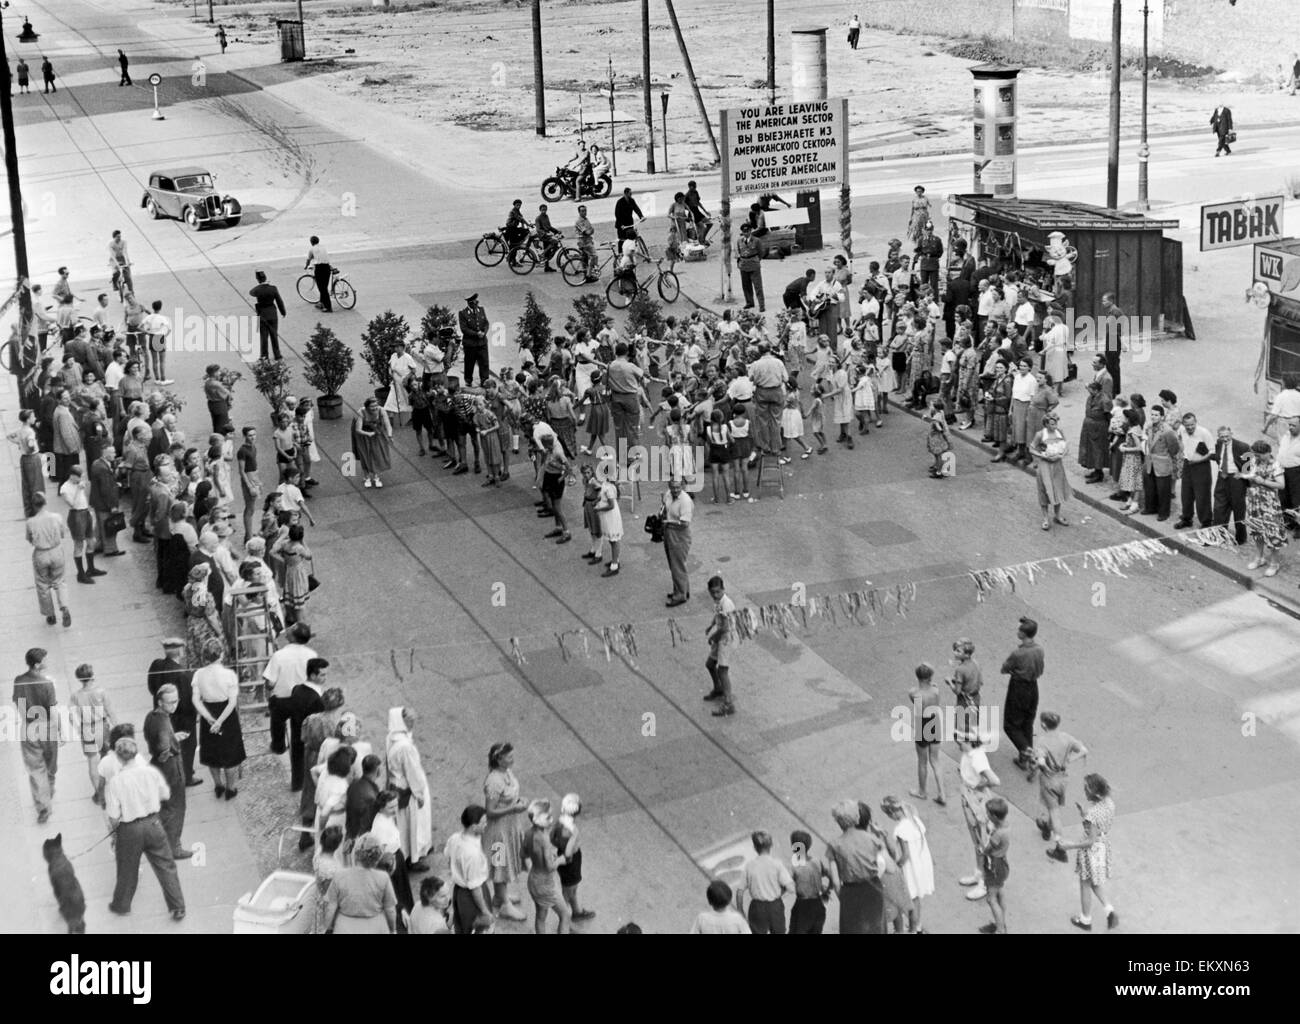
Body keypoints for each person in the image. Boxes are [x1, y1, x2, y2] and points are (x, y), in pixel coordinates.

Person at [104, 737, 186, 920]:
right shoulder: (151, 772)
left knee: (127, 868)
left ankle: (122, 904)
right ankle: (177, 907)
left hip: (129, 828)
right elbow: (165, 794)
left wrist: (114, 831)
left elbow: (113, 814)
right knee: (165, 866)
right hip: (153, 823)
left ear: (118, 757)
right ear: (136, 753)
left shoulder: (116, 782)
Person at [1057, 773, 1119, 931]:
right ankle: (1109, 911)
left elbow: (1090, 840)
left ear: (1096, 793)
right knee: (1095, 882)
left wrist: (1069, 845)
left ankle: (1085, 920)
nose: (1084, 791)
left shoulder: (1093, 814)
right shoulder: (1109, 803)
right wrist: (1084, 814)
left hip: (1091, 851)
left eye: (1087, 788)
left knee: (1085, 883)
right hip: (1103, 846)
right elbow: (1098, 826)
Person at [1032, 711, 1089, 863]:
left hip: (1049, 780)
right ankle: (1046, 828)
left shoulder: (1042, 741)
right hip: (1063, 779)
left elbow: (1041, 762)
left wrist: (1043, 768)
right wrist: (1069, 760)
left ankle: (1060, 847)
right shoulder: (1066, 738)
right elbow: (1084, 750)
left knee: (1054, 812)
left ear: (1043, 724)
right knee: (1054, 806)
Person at [192, 638, 245, 798]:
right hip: (226, 715)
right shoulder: (229, 675)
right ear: (221, 654)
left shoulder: (198, 674)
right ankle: (231, 787)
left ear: (204, 656)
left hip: (208, 710)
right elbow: (232, 702)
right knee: (231, 754)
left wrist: (209, 718)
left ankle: (218, 785)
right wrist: (220, 721)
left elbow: (195, 700)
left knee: (212, 752)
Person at [143, 684, 191, 858]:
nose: (174, 705)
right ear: (160, 702)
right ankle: (174, 847)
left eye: (176, 701)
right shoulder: (163, 720)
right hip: (171, 767)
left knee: (163, 807)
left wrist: (173, 738)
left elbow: (154, 740)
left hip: (158, 767)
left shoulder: (151, 717)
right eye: (170, 702)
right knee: (176, 807)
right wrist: (171, 747)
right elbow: (163, 747)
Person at [483, 742, 529, 921]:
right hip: (498, 833)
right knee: (499, 865)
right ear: (499, 759)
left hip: (510, 827)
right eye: (509, 757)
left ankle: (500, 896)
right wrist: (513, 809)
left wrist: (520, 801)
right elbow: (490, 811)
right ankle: (505, 906)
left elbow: (510, 796)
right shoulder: (494, 781)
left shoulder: (507, 772)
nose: (513, 759)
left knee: (504, 863)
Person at [13, 648, 60, 824]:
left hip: (29, 728)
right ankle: (50, 789)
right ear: (38, 664)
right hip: (47, 727)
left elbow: (19, 704)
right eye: (45, 660)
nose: (47, 662)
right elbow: (53, 711)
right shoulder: (47, 684)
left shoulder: (19, 681)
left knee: (35, 769)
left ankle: (43, 806)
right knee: (50, 764)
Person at [825, 799, 886, 933]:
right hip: (873, 888)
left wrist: (845, 898)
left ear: (838, 821)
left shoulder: (835, 845)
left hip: (850, 891)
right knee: (875, 927)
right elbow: (883, 864)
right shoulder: (872, 839)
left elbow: (835, 881)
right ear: (857, 817)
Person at [147, 638, 200, 786]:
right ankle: (187, 776)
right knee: (187, 747)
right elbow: (188, 702)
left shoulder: (156, 665)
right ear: (180, 651)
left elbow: (152, 688)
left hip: (162, 715)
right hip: (182, 718)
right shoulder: (184, 675)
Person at [386, 706, 433, 871]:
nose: (412, 724)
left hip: (396, 783)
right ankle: (414, 857)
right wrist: (419, 794)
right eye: (409, 721)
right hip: (408, 788)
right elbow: (412, 772)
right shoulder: (405, 747)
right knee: (413, 825)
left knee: (403, 824)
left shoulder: (392, 737)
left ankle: (411, 853)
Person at [321, 834, 397, 934]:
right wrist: (392, 930)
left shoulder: (339, 876)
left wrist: (325, 929)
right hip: (375, 928)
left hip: (345, 928)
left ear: (356, 853)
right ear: (377, 858)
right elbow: (390, 910)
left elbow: (330, 908)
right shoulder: (383, 878)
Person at [881, 796, 934, 934]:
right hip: (921, 862)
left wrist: (897, 865)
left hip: (911, 868)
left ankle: (912, 929)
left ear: (892, 813)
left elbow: (905, 855)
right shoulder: (915, 819)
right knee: (916, 899)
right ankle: (918, 926)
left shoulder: (900, 829)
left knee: (911, 901)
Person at [1000, 616, 1045, 769]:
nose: (1017, 631)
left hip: (1019, 688)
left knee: (1010, 725)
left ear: (1023, 634)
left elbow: (1004, 668)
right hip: (1033, 688)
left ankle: (1028, 753)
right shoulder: (1039, 650)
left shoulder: (1018, 654)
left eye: (1019, 629)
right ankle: (1023, 759)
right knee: (1027, 723)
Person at [70, 663, 116, 808]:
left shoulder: (76, 695)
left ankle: (99, 794)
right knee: (107, 756)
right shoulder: (101, 692)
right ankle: (111, 788)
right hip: (102, 726)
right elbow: (110, 711)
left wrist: (78, 728)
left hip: (87, 728)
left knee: (92, 761)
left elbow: (71, 715)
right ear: (92, 676)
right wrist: (116, 726)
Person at [522, 799, 571, 934]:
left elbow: (524, 853)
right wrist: (560, 859)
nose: (551, 819)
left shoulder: (528, 833)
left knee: (541, 917)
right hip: (545, 884)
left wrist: (536, 864)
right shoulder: (544, 840)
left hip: (533, 881)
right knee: (565, 915)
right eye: (548, 817)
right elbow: (550, 867)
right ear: (537, 820)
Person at [445, 805, 495, 933]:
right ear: (474, 827)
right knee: (477, 929)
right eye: (483, 822)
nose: (486, 824)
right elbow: (475, 888)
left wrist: (458, 872)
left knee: (461, 925)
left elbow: (448, 857)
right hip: (471, 896)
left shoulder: (454, 838)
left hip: (459, 891)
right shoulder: (472, 854)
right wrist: (485, 911)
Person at [26, 493, 72, 627]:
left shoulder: (30, 522)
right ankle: (64, 608)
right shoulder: (56, 517)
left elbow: (30, 539)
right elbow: (63, 533)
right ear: (45, 502)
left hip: (41, 553)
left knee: (42, 585)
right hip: (56, 551)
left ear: (34, 506)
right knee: (60, 581)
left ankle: (50, 615)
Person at [1243, 439, 1288, 576]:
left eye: (1259, 454)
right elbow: (1246, 474)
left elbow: (1281, 485)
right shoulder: (1253, 461)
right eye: (1255, 454)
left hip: (1269, 503)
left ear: (1268, 452)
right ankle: (1259, 558)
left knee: (1272, 532)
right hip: (1254, 500)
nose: (1257, 457)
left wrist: (1263, 481)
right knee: (1257, 531)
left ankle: (1274, 563)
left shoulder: (1275, 464)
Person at [551, 793, 595, 923]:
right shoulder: (571, 830)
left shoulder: (559, 822)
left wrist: (559, 846)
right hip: (570, 861)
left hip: (564, 856)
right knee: (568, 891)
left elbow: (552, 838)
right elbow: (569, 853)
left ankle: (577, 912)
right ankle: (563, 923)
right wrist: (573, 838)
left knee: (572, 888)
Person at [741, 830, 794, 934]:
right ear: (771, 845)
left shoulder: (749, 866)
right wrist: (779, 892)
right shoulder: (777, 864)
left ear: (755, 848)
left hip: (757, 907)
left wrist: (740, 909)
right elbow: (791, 888)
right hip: (775, 906)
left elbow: (740, 891)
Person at [908, 663, 946, 803]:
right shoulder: (935, 690)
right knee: (935, 760)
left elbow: (918, 709)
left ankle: (922, 791)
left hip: (922, 724)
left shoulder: (914, 693)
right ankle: (942, 793)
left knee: (922, 761)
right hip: (934, 721)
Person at [1140, 404, 1183, 522]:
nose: (1153, 417)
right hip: (1150, 461)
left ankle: (1163, 513)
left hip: (1162, 462)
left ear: (1162, 417)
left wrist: (1165, 457)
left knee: (1163, 489)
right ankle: (1150, 507)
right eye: (1152, 414)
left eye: (1156, 415)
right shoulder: (1149, 427)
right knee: (1149, 487)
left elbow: (1174, 448)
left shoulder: (1167, 431)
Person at [1031, 411, 1072, 529]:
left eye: (1056, 423)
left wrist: (1062, 454)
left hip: (1057, 465)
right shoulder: (1040, 434)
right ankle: (1045, 518)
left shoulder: (1060, 432)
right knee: (1044, 491)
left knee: (1057, 489)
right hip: (1044, 466)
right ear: (1046, 424)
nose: (1055, 426)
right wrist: (1042, 456)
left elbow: (1065, 446)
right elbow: (1032, 448)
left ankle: (1057, 516)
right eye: (1052, 424)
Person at [703, 575, 737, 716]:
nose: (715, 595)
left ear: (723, 589)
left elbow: (725, 628)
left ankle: (728, 703)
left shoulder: (726, 604)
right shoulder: (718, 602)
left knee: (722, 670)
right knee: (710, 664)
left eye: (718, 592)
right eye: (713, 593)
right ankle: (718, 688)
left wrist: (713, 637)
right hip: (720, 637)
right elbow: (717, 615)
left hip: (726, 639)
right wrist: (711, 625)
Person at [1175, 412, 1216, 530]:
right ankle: (1187, 519)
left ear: (1196, 422)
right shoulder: (1182, 430)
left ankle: (1206, 522)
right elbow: (1179, 437)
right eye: (1187, 425)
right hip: (1187, 464)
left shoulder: (1204, 433)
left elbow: (1212, 453)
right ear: (1184, 424)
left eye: (1192, 424)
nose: (1190, 427)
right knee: (1186, 494)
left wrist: (1198, 460)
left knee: (1202, 495)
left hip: (1201, 466)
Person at [1213, 425, 1252, 545]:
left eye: (1227, 436)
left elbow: (1249, 464)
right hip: (1222, 477)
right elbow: (1218, 458)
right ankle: (1220, 534)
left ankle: (1241, 537)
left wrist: (1242, 474)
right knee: (1219, 507)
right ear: (1219, 436)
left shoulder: (1243, 446)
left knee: (1238, 508)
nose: (1225, 439)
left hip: (1236, 479)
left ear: (1232, 434)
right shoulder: (1218, 444)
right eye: (1222, 437)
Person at [977, 796, 1011, 933]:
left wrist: (981, 848)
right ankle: (1001, 922)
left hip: (994, 866)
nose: (987, 815)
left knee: (991, 899)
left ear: (995, 816)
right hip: (1002, 865)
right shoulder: (1005, 825)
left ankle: (1000, 929)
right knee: (999, 892)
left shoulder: (998, 834)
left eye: (989, 814)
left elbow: (986, 849)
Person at [661, 477, 693, 607]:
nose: (675, 490)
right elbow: (664, 506)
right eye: (673, 487)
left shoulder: (685, 501)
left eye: (678, 487)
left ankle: (680, 594)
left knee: (677, 565)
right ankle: (683, 589)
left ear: (682, 486)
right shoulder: (668, 494)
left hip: (679, 534)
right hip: (669, 532)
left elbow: (685, 523)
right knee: (675, 563)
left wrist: (668, 523)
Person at [351, 396, 393, 488]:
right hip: (363, 436)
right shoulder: (361, 413)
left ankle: (376, 477)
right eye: (372, 406)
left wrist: (389, 435)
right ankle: (367, 477)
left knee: (376, 455)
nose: (375, 408)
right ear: (367, 407)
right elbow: (358, 429)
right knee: (365, 456)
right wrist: (368, 434)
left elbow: (388, 425)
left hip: (376, 434)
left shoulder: (381, 410)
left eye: (376, 405)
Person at [249, 271, 286, 360]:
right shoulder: (273, 288)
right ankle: (277, 355)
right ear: (266, 278)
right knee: (274, 335)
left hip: (262, 314)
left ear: (258, 280)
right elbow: (279, 301)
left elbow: (251, 292)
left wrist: (260, 285)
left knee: (264, 336)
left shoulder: (257, 290)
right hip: (272, 313)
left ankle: (264, 355)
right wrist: (283, 312)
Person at [458, 293, 491, 387]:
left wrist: (484, 332)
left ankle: (484, 380)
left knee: (484, 362)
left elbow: (486, 323)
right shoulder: (463, 313)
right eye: (474, 303)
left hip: (482, 342)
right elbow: (464, 329)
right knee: (469, 363)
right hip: (470, 344)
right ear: (469, 303)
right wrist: (476, 334)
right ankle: (468, 380)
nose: (476, 304)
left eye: (477, 302)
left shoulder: (481, 310)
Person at [736, 223, 765, 311]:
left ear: (750, 231)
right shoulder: (739, 241)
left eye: (748, 231)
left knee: (758, 286)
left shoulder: (756, 241)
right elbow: (739, 252)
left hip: (754, 265)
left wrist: (756, 260)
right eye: (744, 231)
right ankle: (749, 302)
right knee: (746, 286)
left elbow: (761, 253)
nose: (746, 233)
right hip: (743, 265)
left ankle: (761, 305)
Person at [305, 236, 333, 313]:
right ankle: (321, 303)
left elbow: (308, 259)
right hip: (327, 267)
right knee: (324, 286)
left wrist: (306, 266)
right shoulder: (323, 247)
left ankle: (328, 307)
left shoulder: (312, 249)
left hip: (320, 268)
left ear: (311, 242)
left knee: (322, 288)